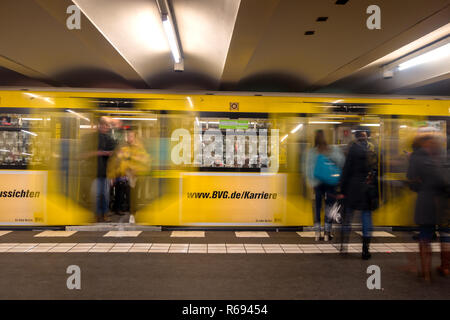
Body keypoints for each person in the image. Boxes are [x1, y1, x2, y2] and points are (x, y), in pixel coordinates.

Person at [407, 133, 449, 281]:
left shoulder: (416, 157)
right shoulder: (445, 157)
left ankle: (426, 273)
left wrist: (420, 186)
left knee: (425, 237)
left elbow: (411, 181)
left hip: (426, 201)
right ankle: (445, 267)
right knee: (446, 236)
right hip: (444, 203)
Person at [339, 130, 378, 259]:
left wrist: (342, 189)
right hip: (367, 188)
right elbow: (375, 171)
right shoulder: (372, 150)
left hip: (352, 187)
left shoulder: (352, 150)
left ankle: (344, 245)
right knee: (366, 218)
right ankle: (365, 249)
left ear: (356, 138)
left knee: (348, 217)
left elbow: (346, 170)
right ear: (366, 137)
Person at [306, 130, 344, 241]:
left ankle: (317, 233)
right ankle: (327, 233)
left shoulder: (313, 152)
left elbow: (309, 169)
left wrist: (312, 182)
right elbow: (341, 161)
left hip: (318, 184)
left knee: (317, 207)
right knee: (329, 207)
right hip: (330, 183)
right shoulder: (332, 149)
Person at [107, 129, 150, 223]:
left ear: (135, 137)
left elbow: (145, 160)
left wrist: (134, 167)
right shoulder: (123, 147)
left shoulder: (139, 148)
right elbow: (116, 162)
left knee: (135, 197)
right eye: (128, 136)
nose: (129, 138)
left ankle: (134, 214)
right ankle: (131, 213)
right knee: (128, 196)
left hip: (136, 176)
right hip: (124, 176)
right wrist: (112, 175)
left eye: (131, 136)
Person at [80, 117, 117, 222]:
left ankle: (104, 214)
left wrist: (110, 154)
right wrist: (100, 153)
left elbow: (114, 154)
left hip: (105, 173)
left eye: (107, 126)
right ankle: (97, 215)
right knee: (96, 195)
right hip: (94, 173)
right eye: (104, 125)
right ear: (99, 126)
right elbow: (85, 154)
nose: (105, 127)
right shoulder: (92, 138)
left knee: (105, 196)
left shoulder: (109, 139)